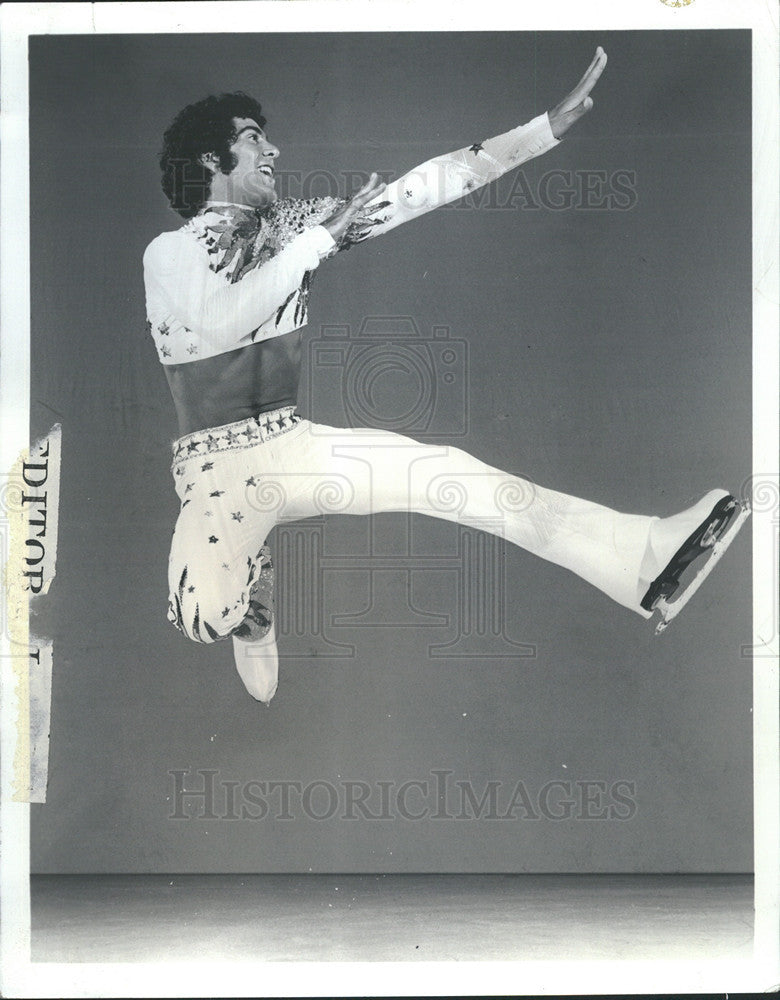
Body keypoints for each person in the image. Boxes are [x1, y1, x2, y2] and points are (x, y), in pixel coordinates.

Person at [143, 47, 748, 704]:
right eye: (254, 138)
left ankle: (642, 562)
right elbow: (224, 320)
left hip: (292, 448)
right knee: (202, 614)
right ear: (211, 159)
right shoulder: (168, 255)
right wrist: (319, 242)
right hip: (214, 478)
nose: (274, 151)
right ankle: (250, 606)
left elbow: (415, 191)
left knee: (453, 476)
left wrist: (539, 132)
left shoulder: (295, 225)